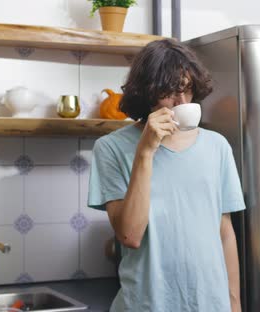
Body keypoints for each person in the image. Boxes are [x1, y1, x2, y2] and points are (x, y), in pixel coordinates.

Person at [88, 38, 245, 312]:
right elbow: (130, 236)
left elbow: (224, 233)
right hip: (146, 304)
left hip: (210, 304)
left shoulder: (216, 146)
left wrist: (234, 304)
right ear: (146, 93)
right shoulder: (110, 148)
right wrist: (146, 151)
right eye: (170, 91)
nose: (181, 101)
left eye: (187, 89)